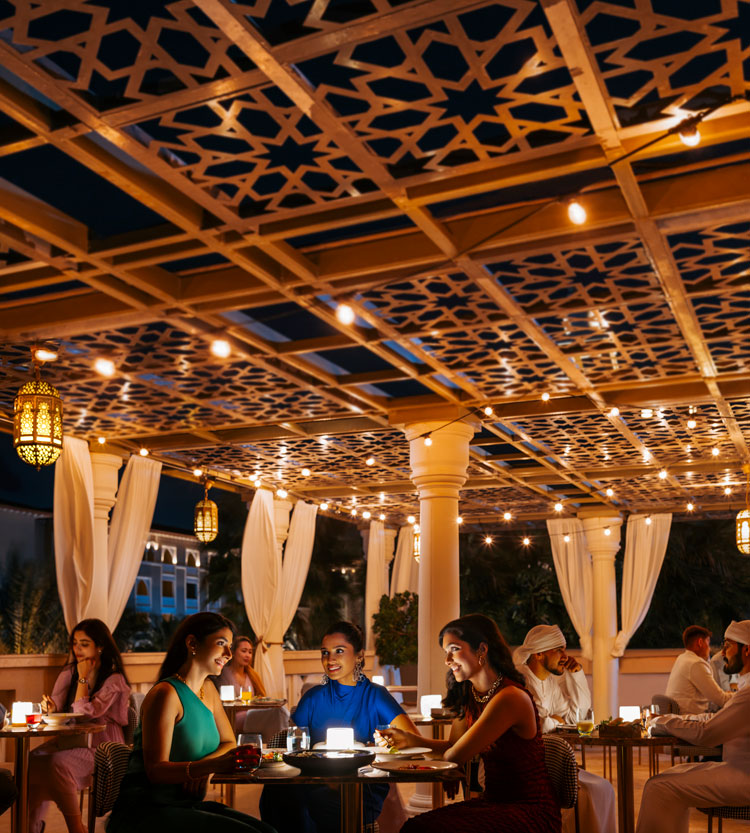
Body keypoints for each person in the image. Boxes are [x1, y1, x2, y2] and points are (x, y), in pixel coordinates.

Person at [380, 614, 561, 833]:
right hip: (494, 803)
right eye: (445, 652)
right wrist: (410, 740)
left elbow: (454, 756)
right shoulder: (471, 694)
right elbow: (452, 748)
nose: (447, 660)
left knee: (422, 828)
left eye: (454, 649)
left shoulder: (510, 697)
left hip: (529, 810)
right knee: (415, 826)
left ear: (482, 649)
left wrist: (451, 763)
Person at [108, 612, 276, 833]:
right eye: (221, 644)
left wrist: (202, 768)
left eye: (230, 646)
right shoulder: (166, 694)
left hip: (185, 805)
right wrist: (211, 766)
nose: (228, 654)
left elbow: (228, 743)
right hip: (147, 810)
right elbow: (155, 771)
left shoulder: (209, 690)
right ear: (192, 643)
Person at [259, 620, 418, 833]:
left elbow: (412, 739)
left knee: (318, 801)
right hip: (314, 780)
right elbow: (292, 747)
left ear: (359, 656)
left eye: (339, 651)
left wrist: (387, 744)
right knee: (277, 792)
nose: (330, 659)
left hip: (362, 783)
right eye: (325, 652)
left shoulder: (376, 696)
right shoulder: (313, 698)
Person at [636, 619, 750, 833]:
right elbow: (714, 718)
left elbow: (707, 734)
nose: (722, 653)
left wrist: (662, 720)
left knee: (658, 786)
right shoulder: (745, 688)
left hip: (743, 776)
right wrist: (669, 719)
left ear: (747, 650)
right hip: (737, 769)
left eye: (728, 645)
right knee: (664, 778)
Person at [29, 618, 130, 833]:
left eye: (84, 644)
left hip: (103, 747)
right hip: (73, 740)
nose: (77, 649)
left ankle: (76, 827)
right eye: (75, 643)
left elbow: (84, 714)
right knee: (32, 760)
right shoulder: (69, 672)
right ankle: (32, 826)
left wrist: (83, 678)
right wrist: (51, 708)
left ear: (100, 646)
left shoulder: (114, 680)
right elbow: (59, 708)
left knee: (57, 764)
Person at [514, 624, 616, 833]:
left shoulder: (549, 683)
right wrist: (553, 720)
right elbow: (537, 724)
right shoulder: (520, 679)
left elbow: (575, 716)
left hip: (550, 761)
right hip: (524, 766)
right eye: (559, 650)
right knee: (589, 793)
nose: (565, 656)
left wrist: (576, 675)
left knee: (604, 788)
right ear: (539, 653)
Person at [665, 625, 733, 713]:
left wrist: (729, 694)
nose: (709, 649)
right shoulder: (696, 664)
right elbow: (721, 700)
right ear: (700, 642)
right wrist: (743, 694)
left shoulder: (682, 658)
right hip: (689, 718)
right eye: (708, 643)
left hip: (677, 715)